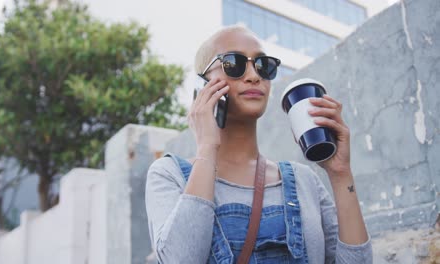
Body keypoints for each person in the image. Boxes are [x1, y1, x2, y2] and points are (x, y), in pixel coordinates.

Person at [145, 25, 372, 264]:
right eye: (234, 63)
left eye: (264, 65)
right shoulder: (169, 175)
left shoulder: (305, 181)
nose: (254, 75)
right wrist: (207, 147)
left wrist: (340, 173)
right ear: (202, 86)